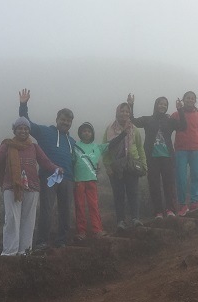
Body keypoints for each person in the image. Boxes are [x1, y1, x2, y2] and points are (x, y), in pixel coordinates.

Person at [0, 117, 61, 256]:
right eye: (20, 128)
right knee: (12, 219)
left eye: (26, 129)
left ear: (29, 131)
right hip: (11, 187)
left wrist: (57, 169)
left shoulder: (34, 147)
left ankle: (24, 251)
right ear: (14, 130)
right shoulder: (7, 146)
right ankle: (9, 252)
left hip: (32, 187)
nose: (23, 131)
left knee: (29, 220)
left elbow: (46, 162)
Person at [18, 89, 76, 248]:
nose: (65, 123)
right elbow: (26, 122)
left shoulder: (72, 141)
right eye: (63, 120)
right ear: (57, 119)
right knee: (46, 210)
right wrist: (23, 104)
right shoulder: (45, 132)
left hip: (68, 179)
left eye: (68, 121)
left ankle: (62, 240)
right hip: (49, 177)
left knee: (65, 211)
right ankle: (42, 241)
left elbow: (77, 161)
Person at [128, 94, 186, 219]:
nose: (162, 106)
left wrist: (180, 110)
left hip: (167, 157)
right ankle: (158, 212)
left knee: (169, 184)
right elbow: (133, 120)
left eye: (165, 104)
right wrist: (130, 105)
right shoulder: (148, 119)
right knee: (154, 185)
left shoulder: (170, 121)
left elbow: (183, 126)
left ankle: (170, 210)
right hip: (151, 157)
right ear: (156, 105)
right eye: (160, 103)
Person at [72, 122, 125, 240]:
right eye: (84, 131)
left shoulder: (97, 147)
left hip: (92, 181)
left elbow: (112, 144)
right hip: (78, 181)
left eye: (89, 131)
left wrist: (124, 134)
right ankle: (81, 232)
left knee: (94, 205)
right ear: (80, 133)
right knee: (80, 206)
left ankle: (97, 230)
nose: (86, 133)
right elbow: (71, 162)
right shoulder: (75, 146)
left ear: (92, 134)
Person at [102, 102, 147, 231]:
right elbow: (105, 149)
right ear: (117, 112)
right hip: (115, 166)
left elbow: (140, 147)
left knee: (133, 192)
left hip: (131, 164)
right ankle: (120, 221)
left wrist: (144, 164)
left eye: (127, 111)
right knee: (119, 194)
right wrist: (107, 166)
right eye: (122, 111)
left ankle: (135, 219)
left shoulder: (134, 129)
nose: (125, 113)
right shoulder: (109, 129)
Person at [172, 91, 198, 216]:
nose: (190, 100)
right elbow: (168, 128)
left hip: (196, 148)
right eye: (188, 98)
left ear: (195, 100)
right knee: (181, 177)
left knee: (196, 175)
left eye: (192, 98)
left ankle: (194, 202)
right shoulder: (176, 115)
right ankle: (182, 205)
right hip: (181, 149)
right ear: (183, 99)